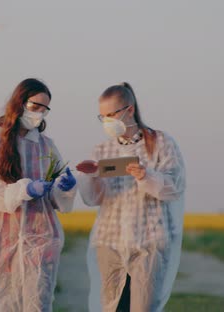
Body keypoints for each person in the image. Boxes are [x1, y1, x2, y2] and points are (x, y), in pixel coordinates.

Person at [0, 78, 78, 312]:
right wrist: (24, 189)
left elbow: (55, 197)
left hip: (39, 244)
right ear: (19, 103)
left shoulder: (45, 146)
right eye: (34, 107)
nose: (39, 114)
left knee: (38, 306)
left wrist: (64, 188)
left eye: (44, 110)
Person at [76, 82, 186, 312]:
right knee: (112, 307)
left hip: (149, 241)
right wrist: (91, 177)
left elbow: (174, 186)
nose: (107, 121)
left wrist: (147, 176)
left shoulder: (160, 143)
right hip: (110, 242)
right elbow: (94, 198)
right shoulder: (102, 151)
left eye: (111, 114)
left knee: (142, 307)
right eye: (102, 116)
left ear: (129, 109)